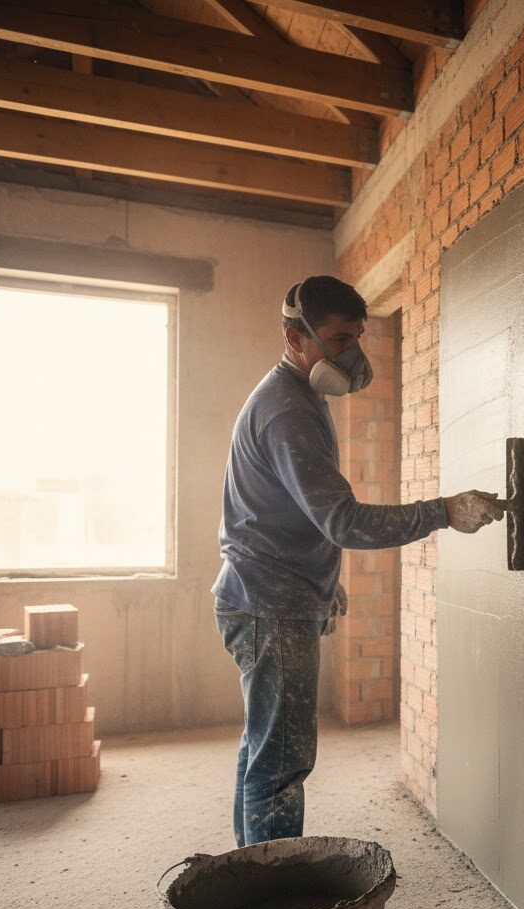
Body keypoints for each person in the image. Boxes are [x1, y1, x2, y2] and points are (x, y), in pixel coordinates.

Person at [211, 274, 504, 847]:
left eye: (357, 338)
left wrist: (324, 581)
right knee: (281, 763)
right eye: (339, 340)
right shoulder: (288, 410)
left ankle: (250, 875)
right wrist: (444, 511)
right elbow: (341, 520)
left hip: (265, 593)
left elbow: (287, 513)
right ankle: (272, 903)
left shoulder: (297, 396)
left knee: (264, 748)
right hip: (269, 605)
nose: (353, 354)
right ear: (295, 338)